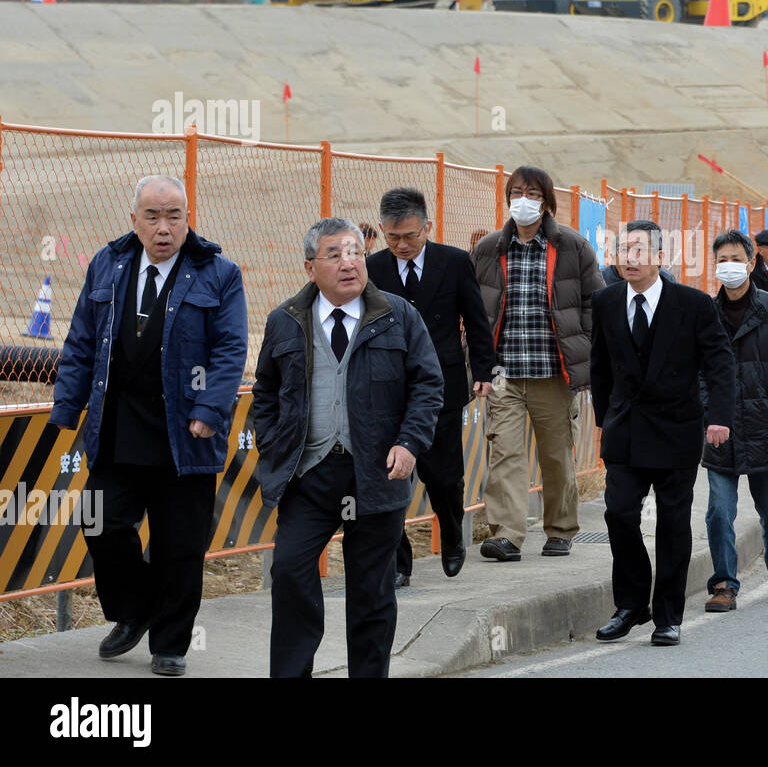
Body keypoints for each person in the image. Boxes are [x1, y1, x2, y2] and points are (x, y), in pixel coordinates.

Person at [49, 176, 248, 677]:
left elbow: (229, 350)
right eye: (153, 216)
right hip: (118, 429)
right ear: (133, 219)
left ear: (187, 218)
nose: (164, 227)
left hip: (187, 434)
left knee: (181, 545)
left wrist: (210, 409)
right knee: (100, 522)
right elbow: (80, 342)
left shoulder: (218, 273)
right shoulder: (107, 265)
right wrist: (66, 408)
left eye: (174, 215)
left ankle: (171, 644)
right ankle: (136, 608)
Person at [254, 217, 443, 678]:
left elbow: (428, 386)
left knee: (372, 591)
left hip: (377, 473)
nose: (348, 263)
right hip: (309, 475)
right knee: (291, 573)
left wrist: (409, 443)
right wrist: (275, 445)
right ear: (310, 267)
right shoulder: (285, 321)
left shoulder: (398, 315)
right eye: (334, 254)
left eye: (356, 252)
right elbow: (265, 393)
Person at [590, 220, 735, 646]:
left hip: (676, 431)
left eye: (638, 250)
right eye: (622, 250)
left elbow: (719, 364)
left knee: (672, 522)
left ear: (659, 257)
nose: (628, 258)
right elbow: (600, 365)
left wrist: (719, 417)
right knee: (618, 513)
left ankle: (668, 614)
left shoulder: (692, 304)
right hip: (625, 431)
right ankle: (632, 603)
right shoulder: (606, 300)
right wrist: (605, 417)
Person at [470, 166, 604, 560]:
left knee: (556, 454)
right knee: (505, 454)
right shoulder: (490, 248)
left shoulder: (573, 247)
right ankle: (506, 535)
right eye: (515, 193)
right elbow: (477, 311)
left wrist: (587, 357)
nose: (522, 201)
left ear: (546, 200)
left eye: (531, 193)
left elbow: (594, 306)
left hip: (553, 372)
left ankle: (560, 529)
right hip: (503, 373)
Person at [367, 188, 494, 584]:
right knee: (391, 478)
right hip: (387, 389)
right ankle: (399, 561)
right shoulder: (373, 269)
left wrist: (485, 370)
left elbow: (476, 319)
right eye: (393, 237)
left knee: (442, 475)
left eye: (410, 235)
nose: (402, 245)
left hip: (441, 386)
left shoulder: (454, 262)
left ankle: (452, 533)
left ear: (427, 227)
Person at [702, 230, 768, 611]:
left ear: (751, 263)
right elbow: (694, 370)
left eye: (735, 259)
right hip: (720, 431)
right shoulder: (706, 314)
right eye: (721, 260)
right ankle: (725, 584)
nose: (727, 266)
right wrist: (706, 411)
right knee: (718, 512)